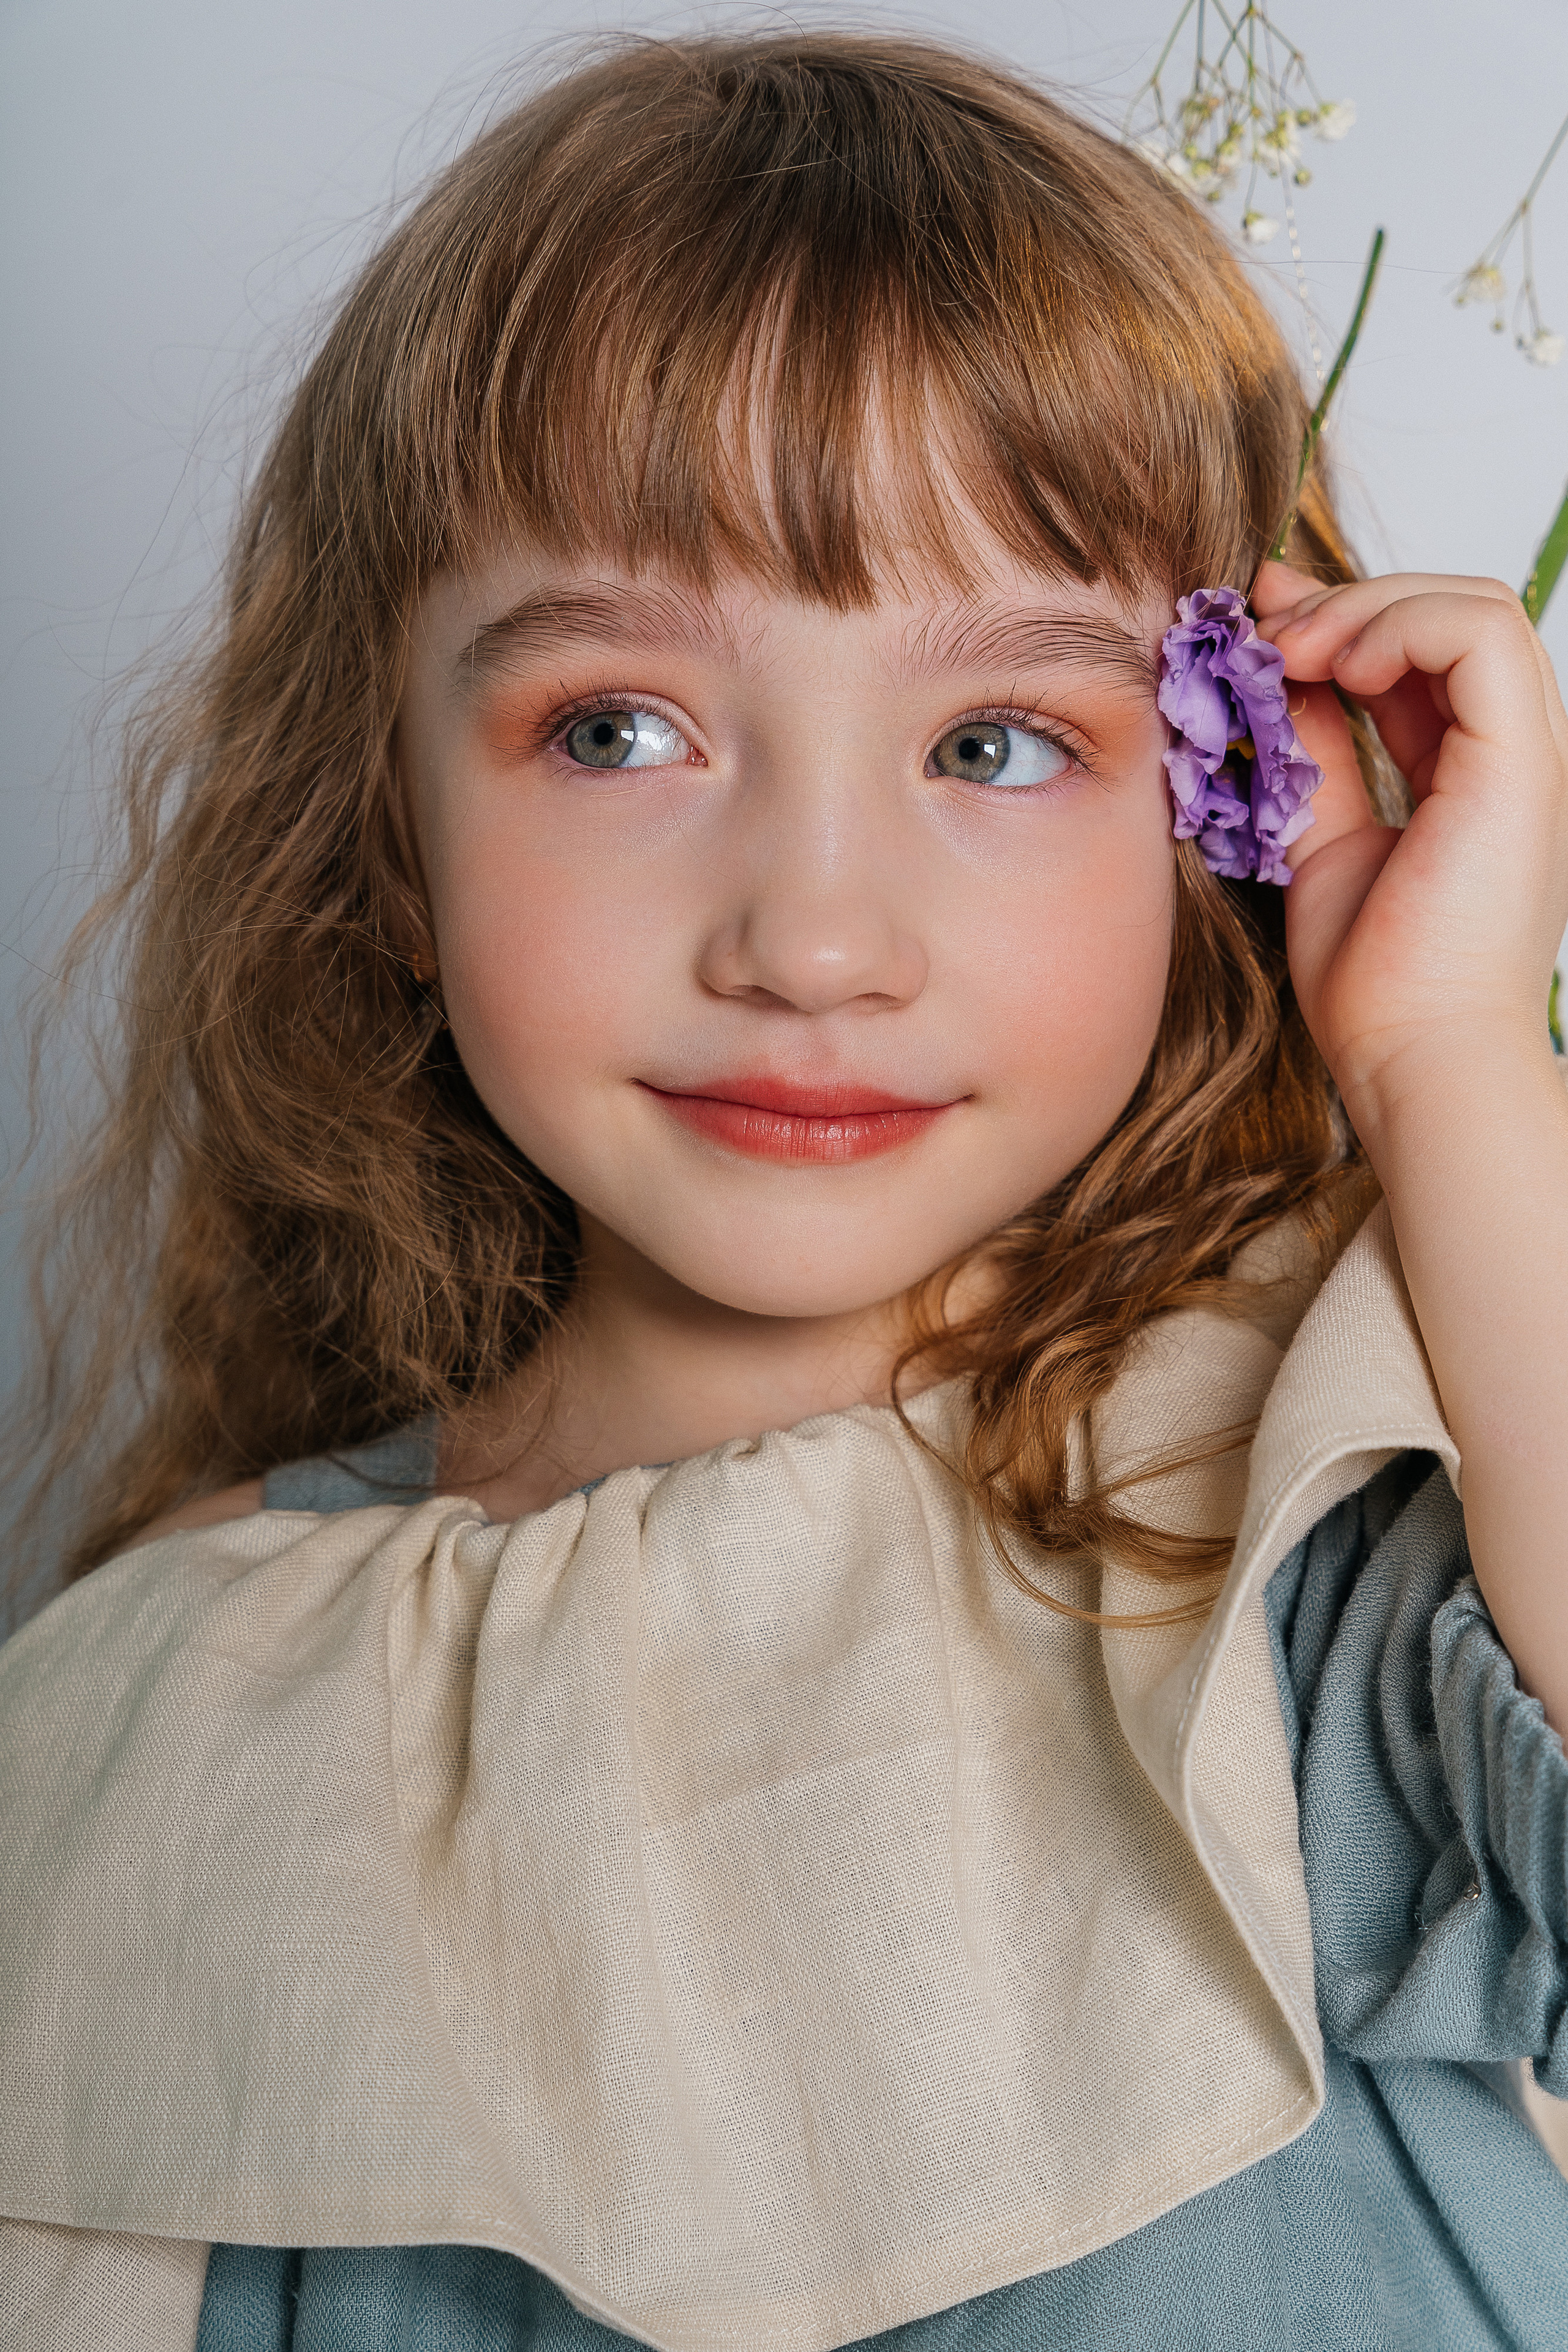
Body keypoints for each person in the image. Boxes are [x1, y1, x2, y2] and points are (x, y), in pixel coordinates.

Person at [2, 29, 1567, 2352]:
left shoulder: (1308, 1531)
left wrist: (1446, 1055)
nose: (815, 942)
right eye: (617, 729)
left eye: (996, 743)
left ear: (1213, 813)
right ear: (387, 833)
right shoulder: (181, 1697)